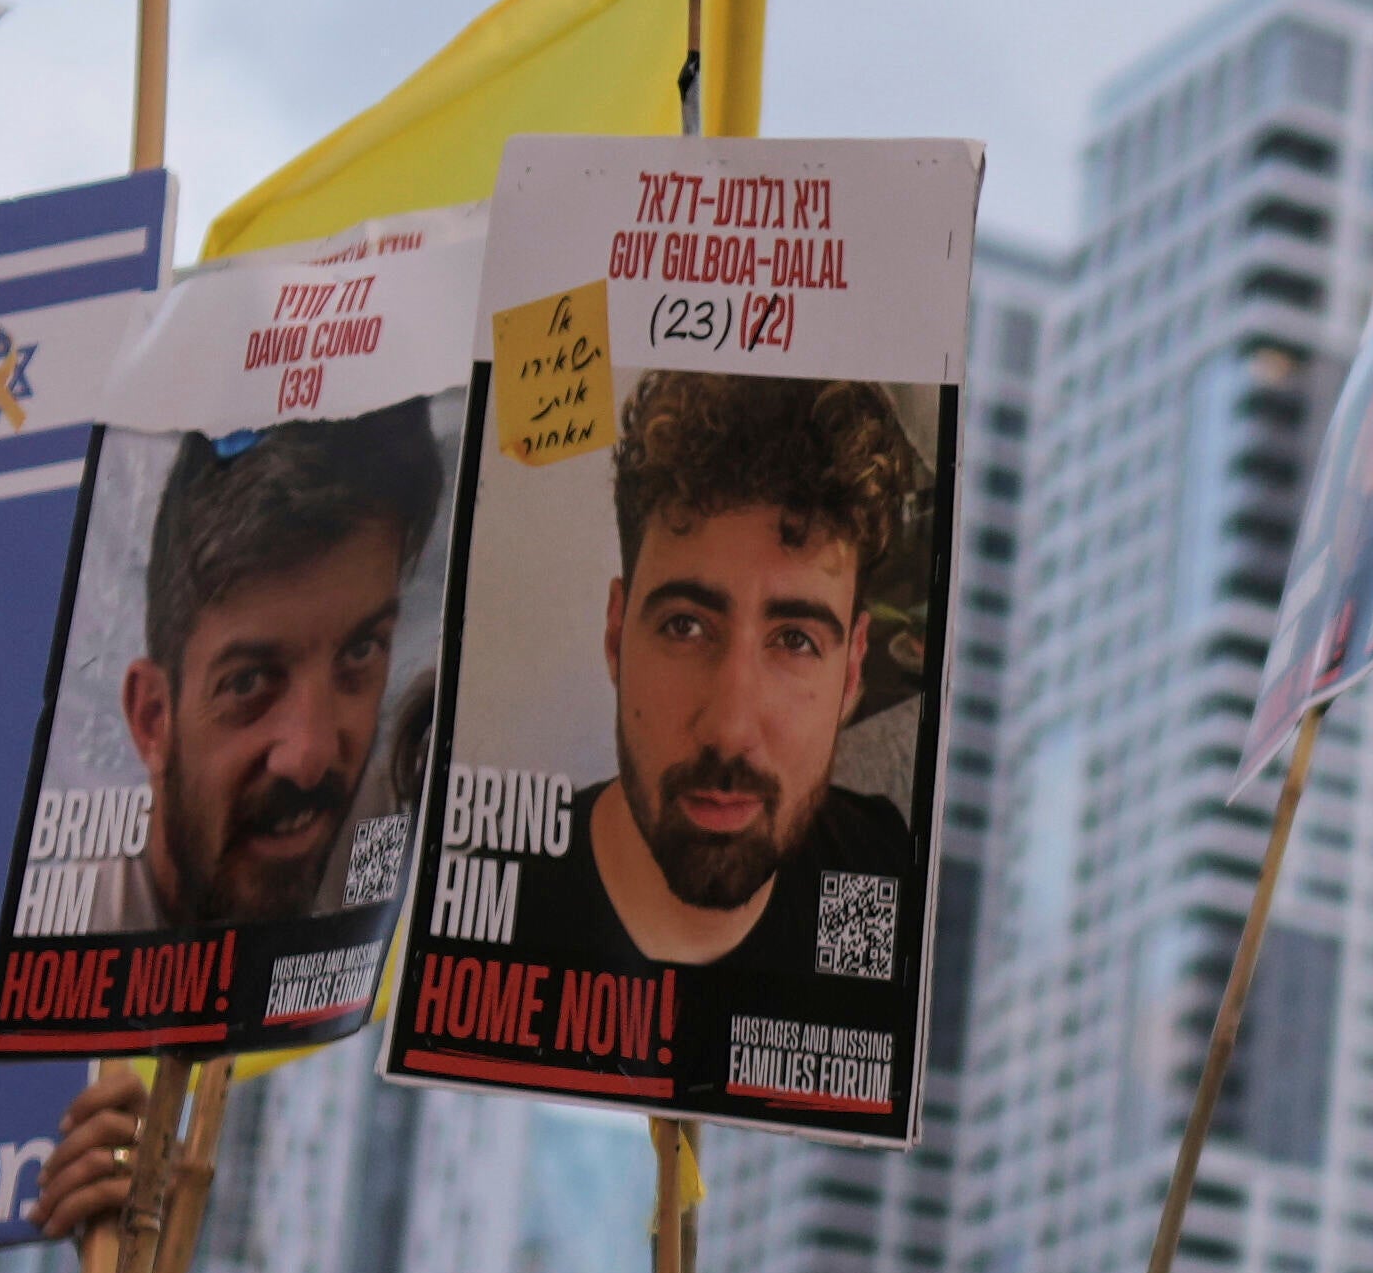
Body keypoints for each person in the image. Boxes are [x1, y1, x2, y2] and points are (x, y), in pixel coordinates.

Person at [480, 373, 936, 1102]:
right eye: (685, 627)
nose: (728, 728)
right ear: (614, 635)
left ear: (853, 673)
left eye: (794, 640)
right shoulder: (491, 911)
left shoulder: (877, 874)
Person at [48, 403, 439, 945]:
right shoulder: (80, 940)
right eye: (249, 682)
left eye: (360, 653)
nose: (310, 756)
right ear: (152, 719)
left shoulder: (382, 835)